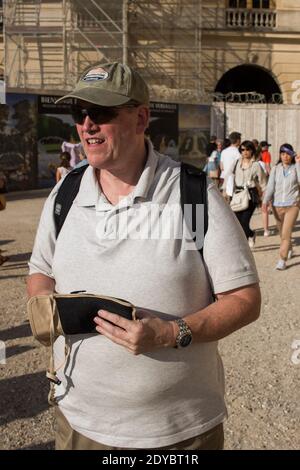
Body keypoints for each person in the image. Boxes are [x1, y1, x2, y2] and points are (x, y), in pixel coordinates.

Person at [27, 62, 261, 451]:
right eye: (79, 113)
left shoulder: (193, 195)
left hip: (177, 434)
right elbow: (40, 270)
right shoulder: (65, 192)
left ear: (140, 118)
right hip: (79, 423)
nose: (86, 125)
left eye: (101, 112)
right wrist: (41, 306)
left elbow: (244, 300)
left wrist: (171, 333)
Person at [262, 143, 300, 270]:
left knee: (286, 233)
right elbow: (270, 186)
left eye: (288, 154)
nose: (285, 157)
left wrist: (299, 163)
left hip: (293, 205)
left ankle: (282, 260)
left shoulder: (296, 168)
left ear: (292, 155)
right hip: (277, 206)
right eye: (283, 154)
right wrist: (265, 201)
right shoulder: (275, 169)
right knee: (282, 234)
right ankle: (289, 248)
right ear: (280, 155)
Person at [230, 140, 267, 248]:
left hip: (251, 195)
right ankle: (251, 234)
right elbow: (230, 177)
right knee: (237, 223)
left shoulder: (256, 165)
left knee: (244, 221)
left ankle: (243, 246)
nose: (245, 152)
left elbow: (263, 182)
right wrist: (226, 192)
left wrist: (266, 197)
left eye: (247, 149)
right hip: (237, 195)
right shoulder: (236, 162)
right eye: (242, 150)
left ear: (252, 150)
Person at [220, 131, 241, 198]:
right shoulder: (238, 152)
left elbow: (221, 167)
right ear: (238, 140)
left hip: (224, 177)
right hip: (233, 179)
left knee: (224, 200)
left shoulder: (224, 151)